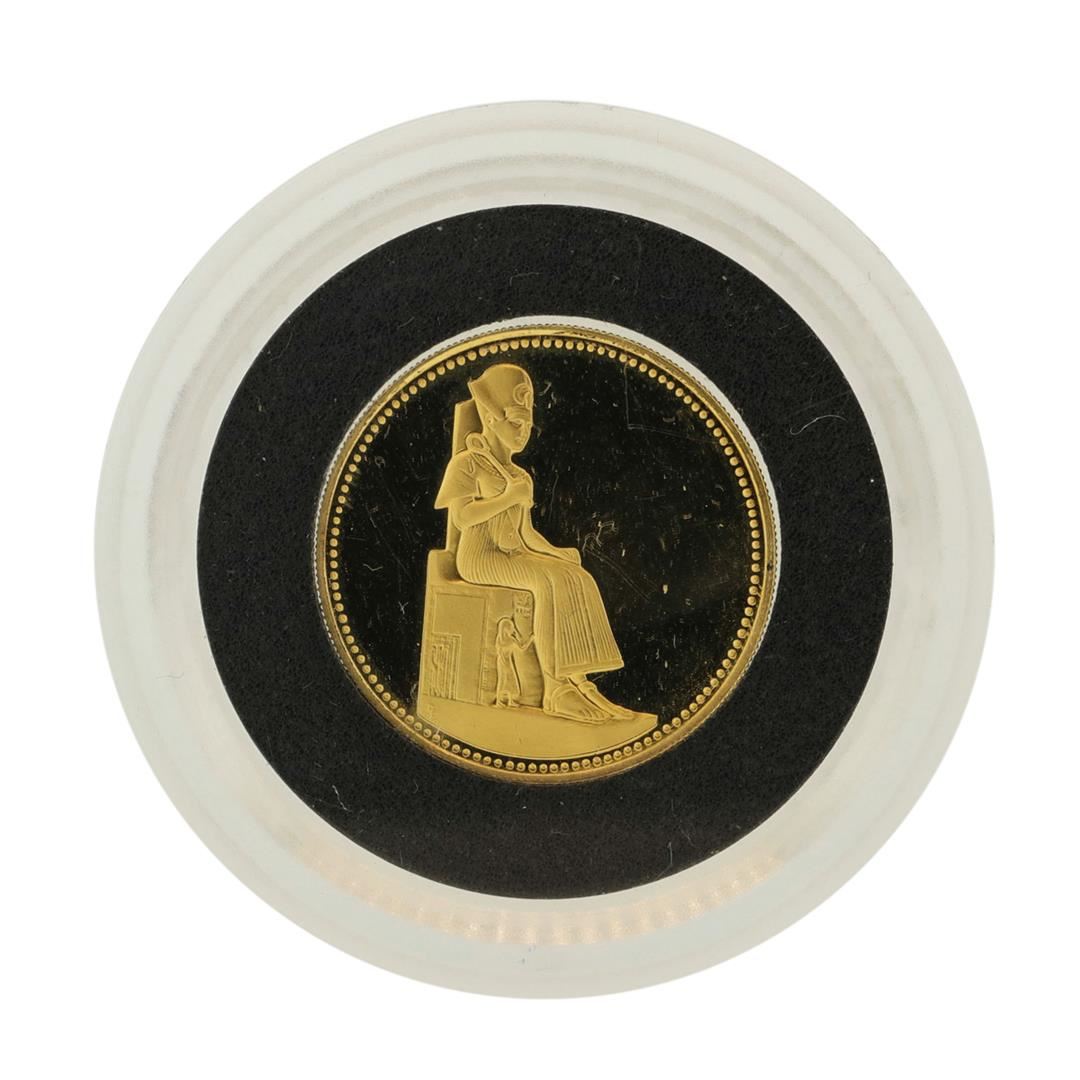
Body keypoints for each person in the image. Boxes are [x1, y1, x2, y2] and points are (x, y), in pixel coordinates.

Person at [434, 363, 644, 724]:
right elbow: (463, 518)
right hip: (480, 558)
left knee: (576, 576)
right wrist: (507, 497)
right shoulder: (468, 464)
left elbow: (526, 534)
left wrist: (557, 553)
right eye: (516, 422)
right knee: (547, 581)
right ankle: (556, 690)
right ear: (489, 417)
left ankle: (579, 680)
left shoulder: (519, 475)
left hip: (514, 554)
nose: (523, 432)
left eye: (528, 424)